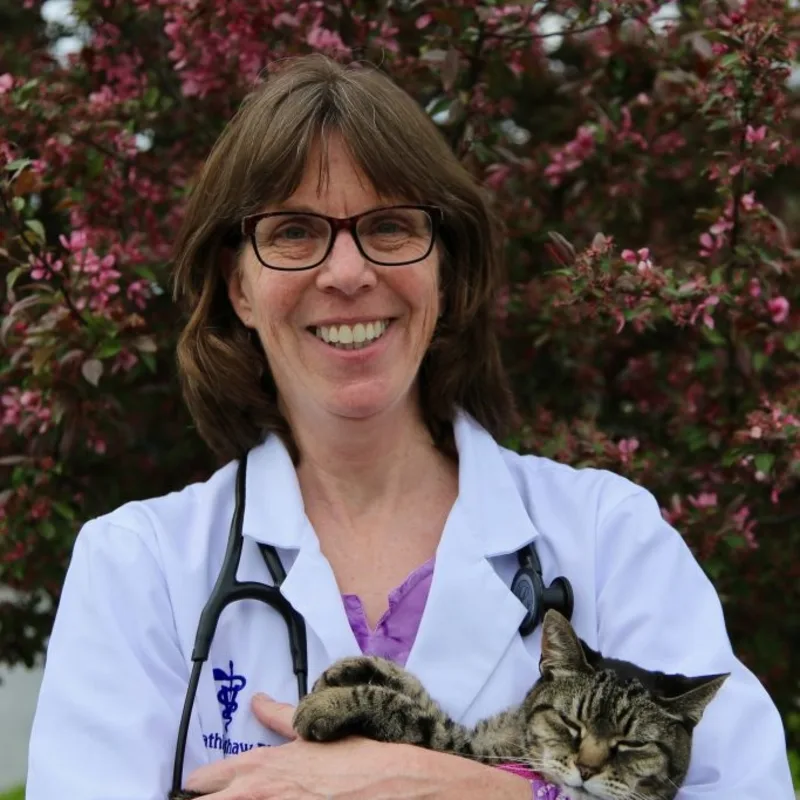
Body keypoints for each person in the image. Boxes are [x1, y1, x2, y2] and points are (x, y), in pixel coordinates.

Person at [26, 55, 793, 800]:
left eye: (389, 226)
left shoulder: (608, 538)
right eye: (294, 230)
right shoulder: (139, 569)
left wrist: (463, 790)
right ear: (239, 288)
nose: (348, 272)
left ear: (445, 273)